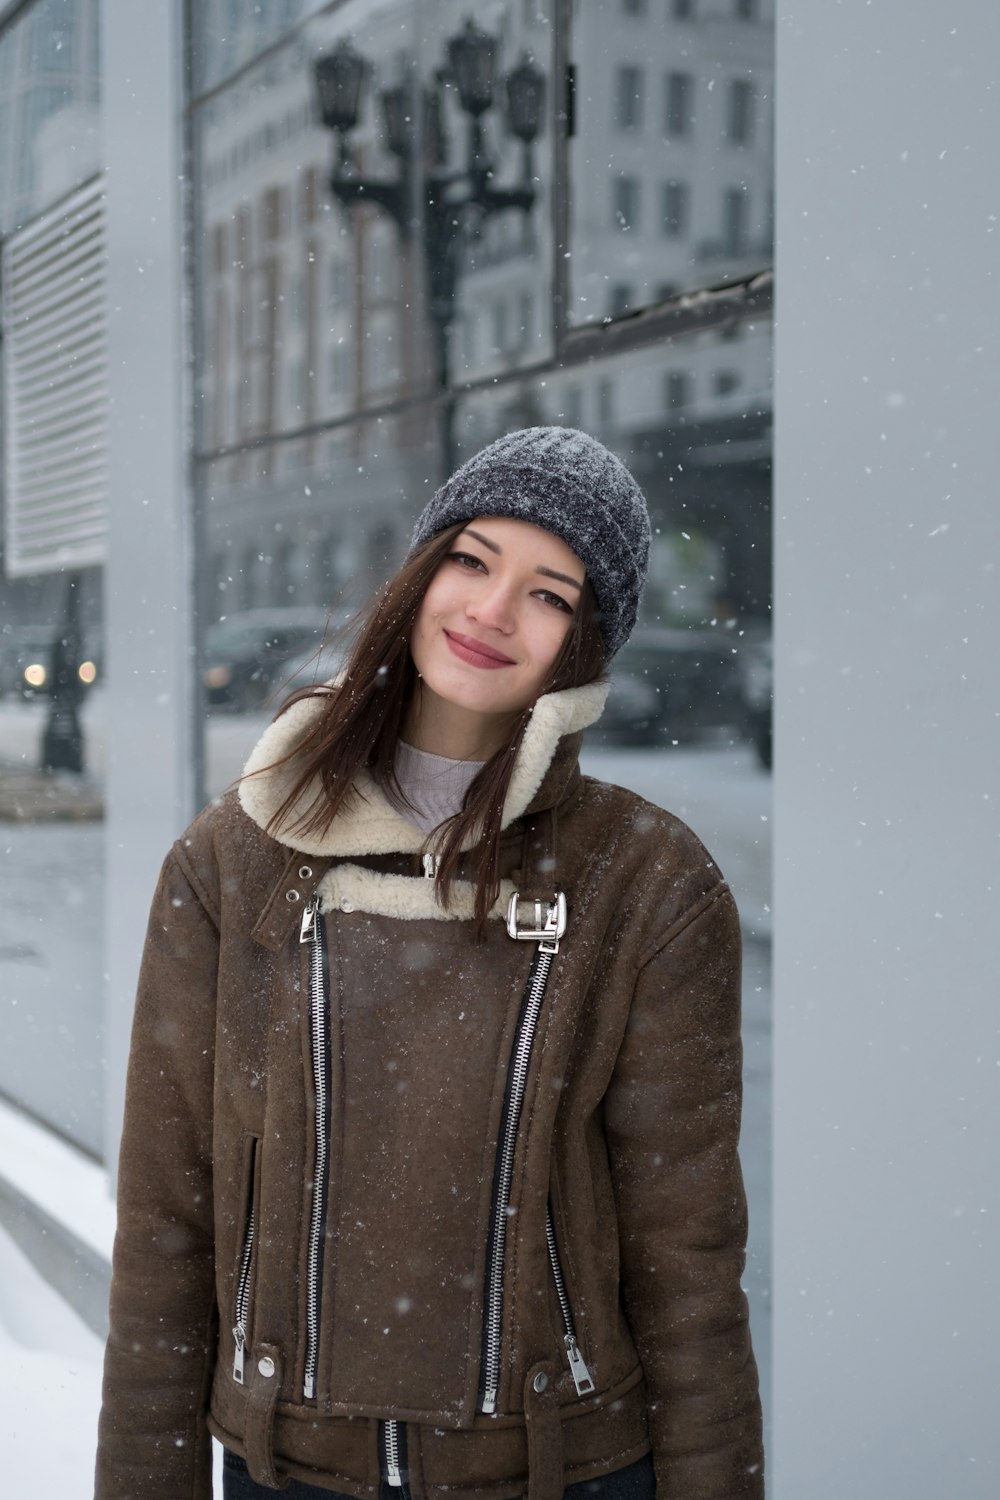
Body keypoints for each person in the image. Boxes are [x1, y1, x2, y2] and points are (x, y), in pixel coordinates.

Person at [95, 427, 764, 1500]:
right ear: (422, 571)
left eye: (550, 593)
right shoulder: (235, 858)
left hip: (563, 1470)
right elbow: (169, 1223)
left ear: (587, 645)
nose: (493, 612)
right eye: (472, 559)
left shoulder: (646, 882)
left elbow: (686, 1264)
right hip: (286, 1469)